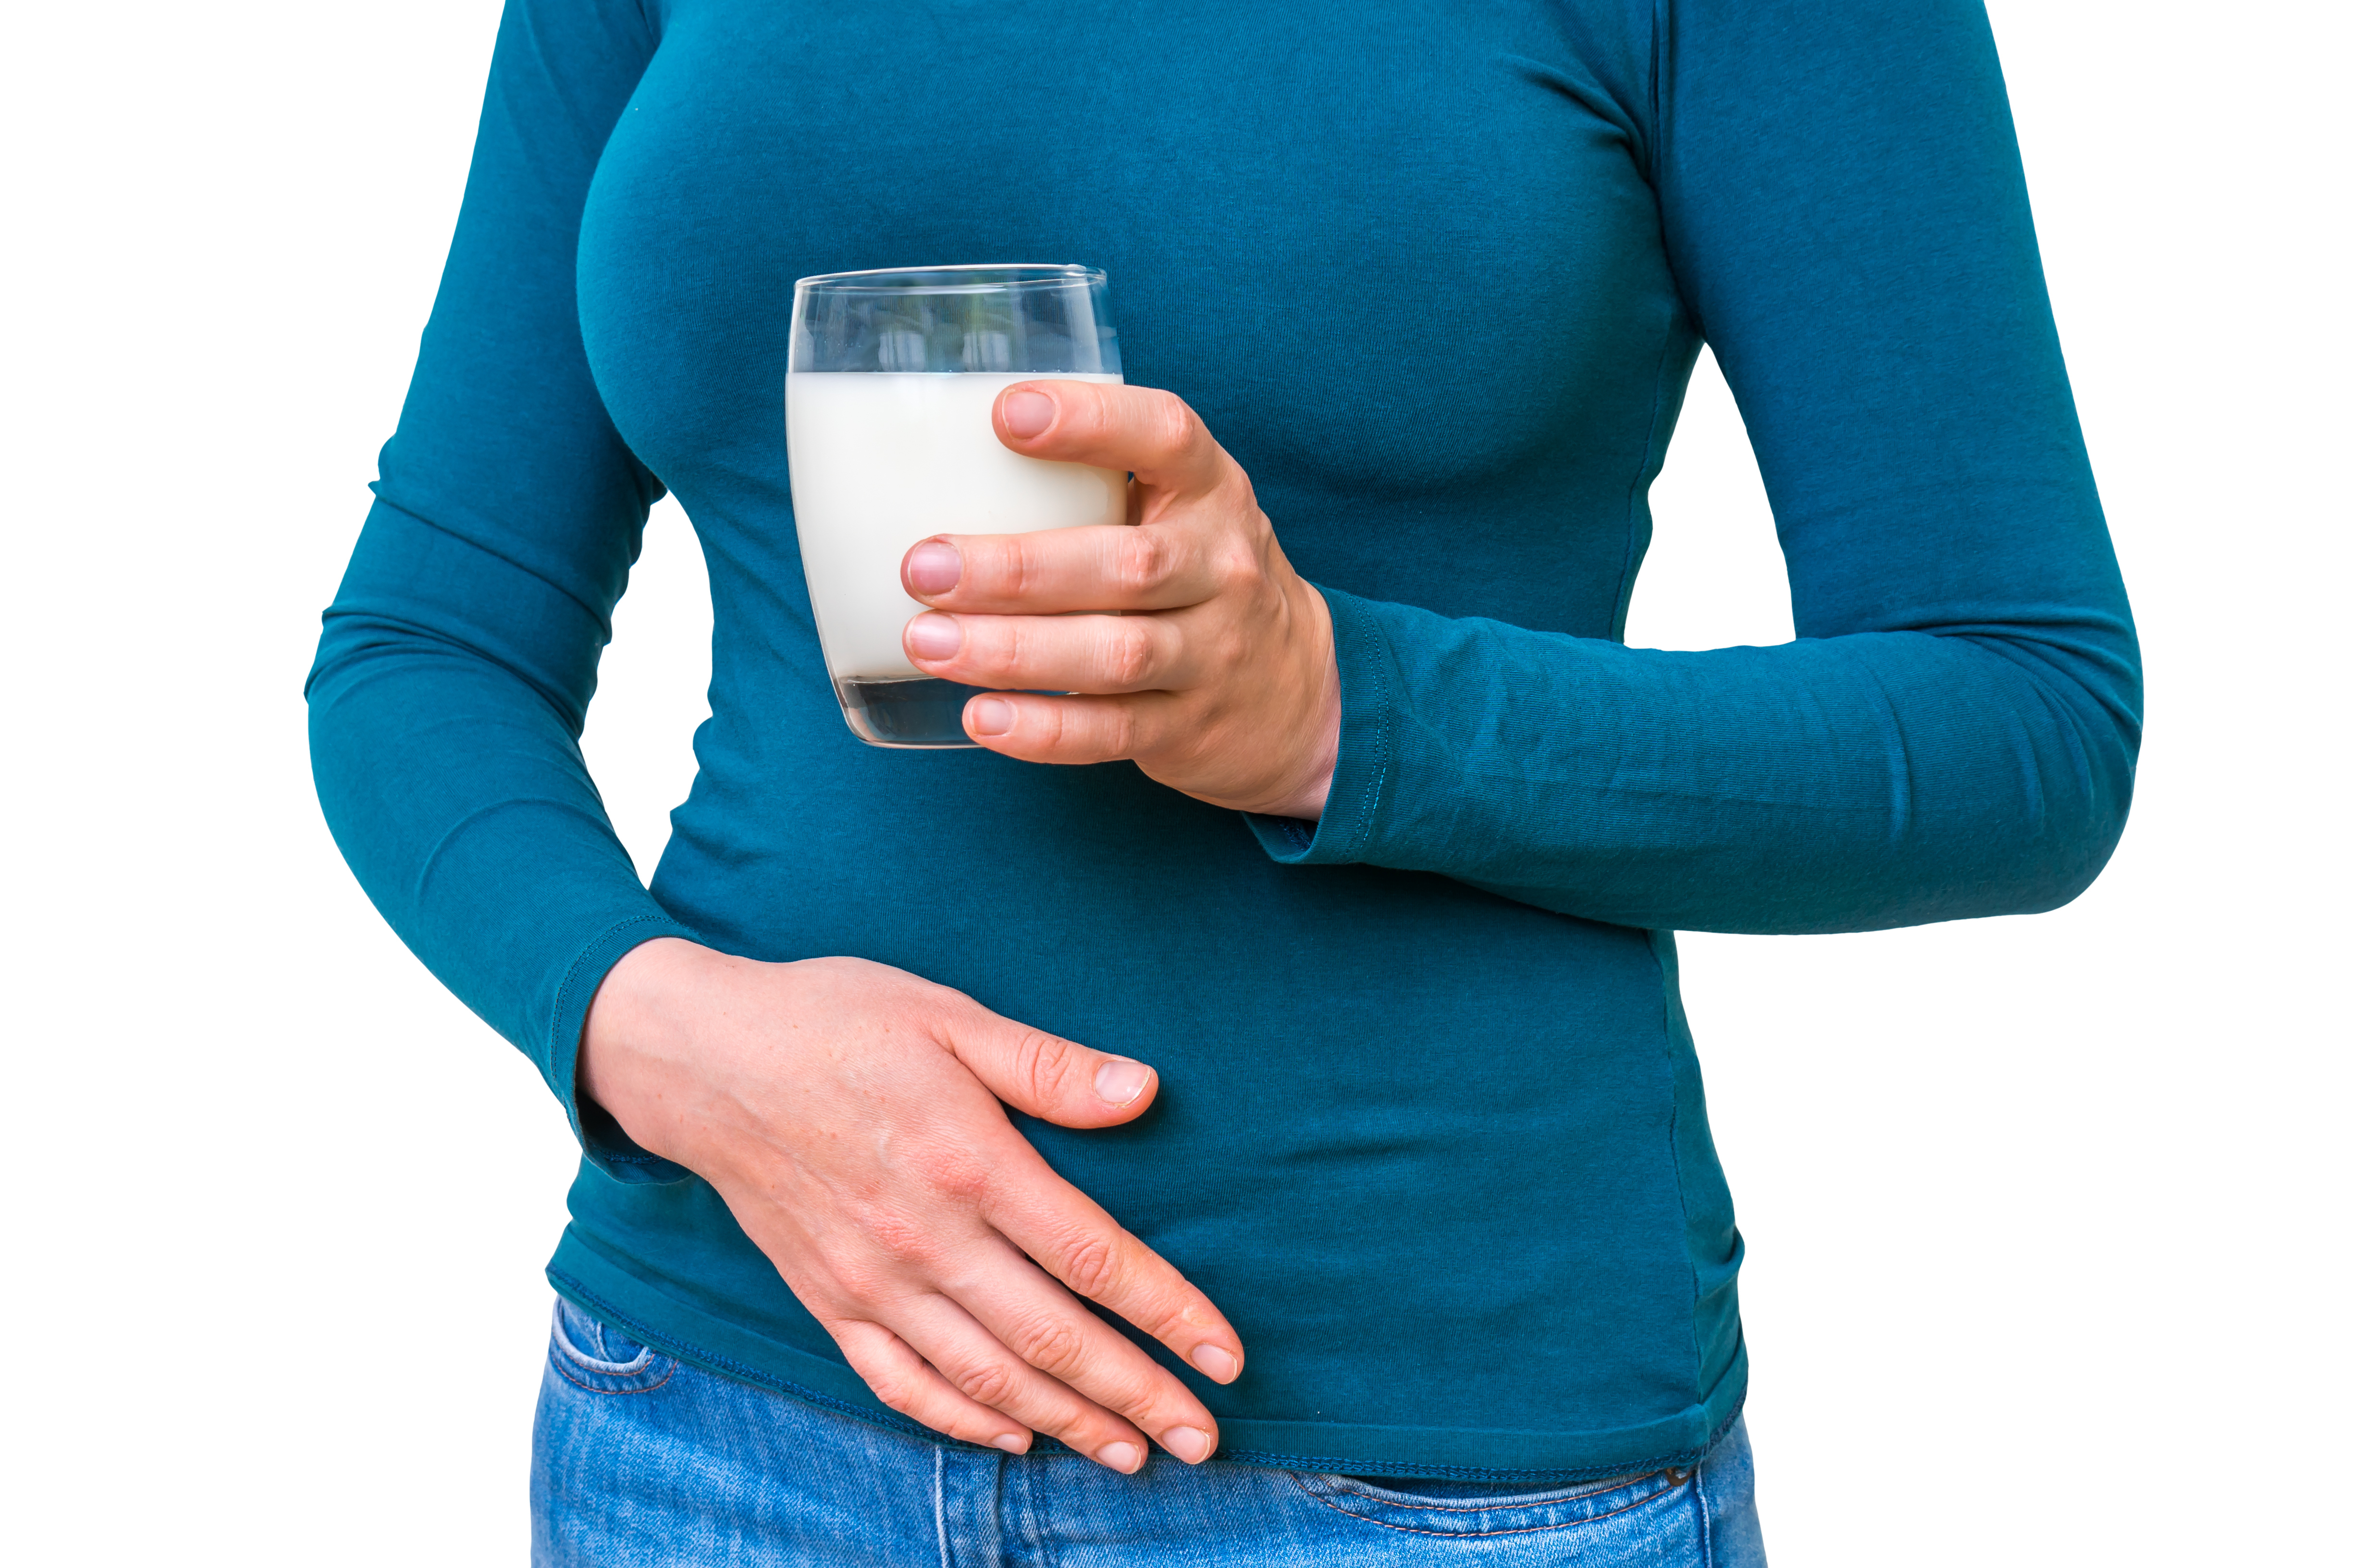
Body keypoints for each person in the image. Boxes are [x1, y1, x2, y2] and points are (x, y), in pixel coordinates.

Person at [307, 0, 2139, 1561]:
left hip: (1432, 1477)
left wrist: (1346, 711)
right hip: (711, 1422)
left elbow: (2027, 711)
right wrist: (654, 1035)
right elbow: (429, 641)